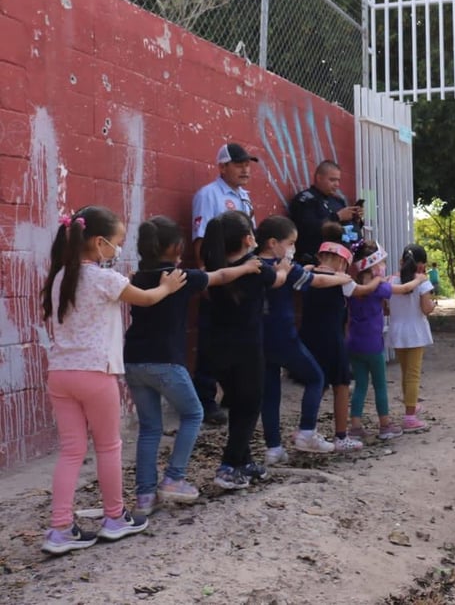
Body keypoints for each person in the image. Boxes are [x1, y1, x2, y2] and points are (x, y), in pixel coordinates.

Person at [39, 206, 187, 555]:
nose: (120, 248)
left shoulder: (60, 276)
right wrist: (167, 286)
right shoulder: (105, 280)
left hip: (60, 374)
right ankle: (114, 517)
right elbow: (148, 299)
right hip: (96, 374)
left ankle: (59, 529)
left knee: (72, 451)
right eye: (118, 242)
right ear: (99, 242)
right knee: (108, 447)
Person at [123, 216, 260, 515]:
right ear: (175, 247)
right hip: (165, 362)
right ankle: (174, 478)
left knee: (149, 428)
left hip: (132, 361)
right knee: (195, 412)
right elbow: (221, 276)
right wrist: (248, 267)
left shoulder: (135, 278)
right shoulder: (180, 276)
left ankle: (145, 496)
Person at [256, 216, 356, 466]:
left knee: (270, 395)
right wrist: (342, 279)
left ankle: (274, 448)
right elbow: (318, 281)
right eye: (290, 243)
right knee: (316, 377)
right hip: (284, 336)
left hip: (259, 339)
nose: (293, 249)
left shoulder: (253, 264)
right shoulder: (284, 267)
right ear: (273, 243)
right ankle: (307, 432)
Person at [201, 211, 288, 490]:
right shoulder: (256, 268)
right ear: (248, 238)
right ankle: (227, 466)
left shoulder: (215, 271)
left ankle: (244, 462)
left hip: (218, 350)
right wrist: (285, 266)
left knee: (238, 404)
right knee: (250, 407)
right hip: (247, 351)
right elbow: (277, 280)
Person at [191, 142, 259, 425]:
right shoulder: (209, 195)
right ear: (222, 167)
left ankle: (232, 392)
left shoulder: (244, 197)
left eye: (248, 164)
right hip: (219, 277)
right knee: (211, 340)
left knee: (238, 335)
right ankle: (205, 399)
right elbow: (200, 238)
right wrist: (205, 275)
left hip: (241, 275)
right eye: (239, 164)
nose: (245, 169)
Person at [299, 224, 376, 454]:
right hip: (333, 338)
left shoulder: (308, 275)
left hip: (309, 337)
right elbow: (360, 292)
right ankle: (341, 435)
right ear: (343, 262)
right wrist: (377, 282)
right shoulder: (342, 280)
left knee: (317, 383)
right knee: (341, 385)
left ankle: (306, 428)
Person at [346, 242, 426, 440]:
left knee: (361, 385)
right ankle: (384, 425)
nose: (383, 266)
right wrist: (420, 279)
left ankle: (355, 426)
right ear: (372, 266)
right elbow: (405, 288)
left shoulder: (352, 287)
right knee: (380, 385)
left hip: (354, 344)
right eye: (381, 262)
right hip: (373, 345)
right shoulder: (379, 287)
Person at [386, 244, 436, 433]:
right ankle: (409, 416)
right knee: (413, 375)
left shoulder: (391, 280)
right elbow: (426, 308)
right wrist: (433, 306)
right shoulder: (422, 282)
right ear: (421, 265)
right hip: (415, 332)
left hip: (397, 331)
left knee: (406, 372)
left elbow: (387, 308)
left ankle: (411, 405)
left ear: (402, 261)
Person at [288, 160, 363, 264]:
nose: (337, 184)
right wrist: (337, 217)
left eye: (338, 180)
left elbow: (349, 231)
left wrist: (355, 219)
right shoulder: (305, 200)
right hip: (313, 260)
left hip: (338, 260)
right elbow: (308, 229)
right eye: (332, 180)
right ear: (319, 178)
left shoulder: (338, 201)